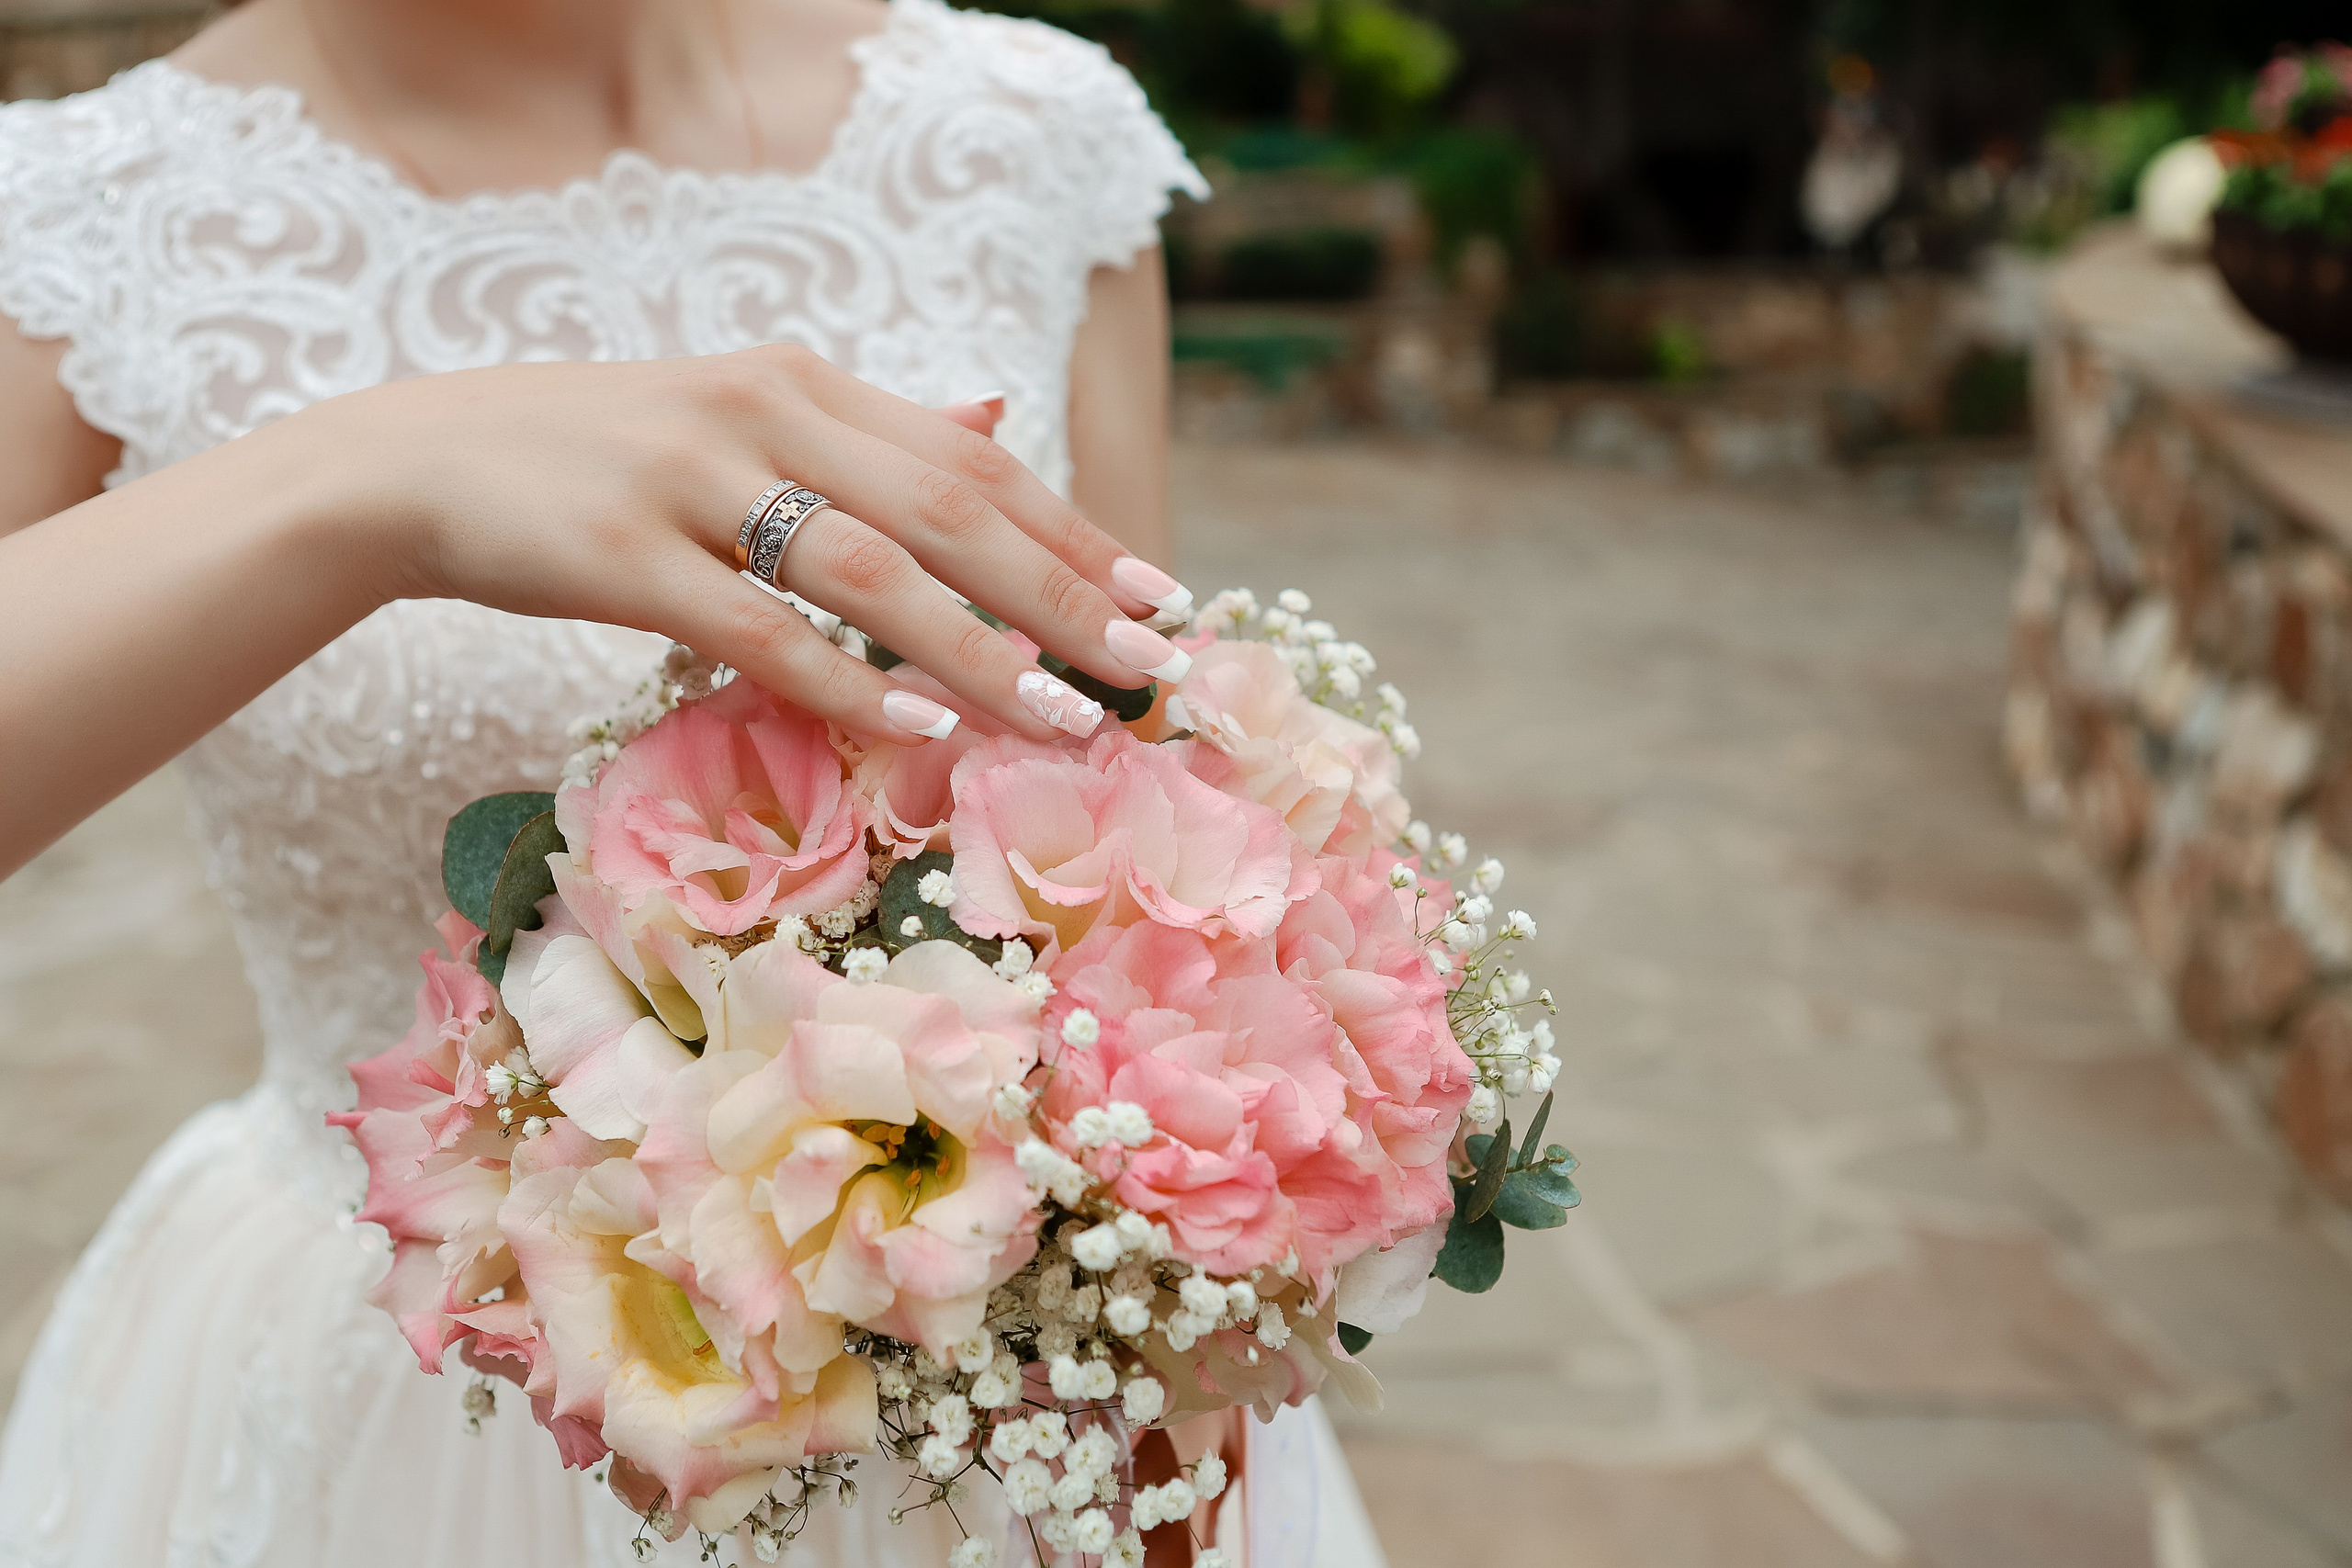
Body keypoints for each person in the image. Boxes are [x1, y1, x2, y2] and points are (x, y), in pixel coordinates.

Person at [0, 2, 1385, 1562]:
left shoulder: (1026, 127)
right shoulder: (69, 214)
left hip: (983, 1394)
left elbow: (1148, 799)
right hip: (411, 1372)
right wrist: (362, 480)